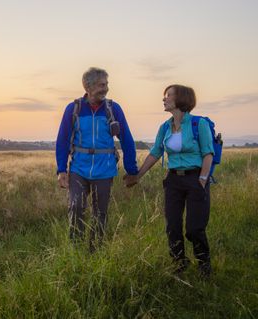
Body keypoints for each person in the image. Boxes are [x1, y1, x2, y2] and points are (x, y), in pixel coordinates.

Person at [124, 84, 214, 277]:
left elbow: (208, 154)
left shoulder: (199, 124)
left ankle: (204, 264)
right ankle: (179, 264)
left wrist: (203, 180)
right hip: (173, 180)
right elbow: (155, 153)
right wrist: (138, 176)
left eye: (168, 96)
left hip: (196, 179)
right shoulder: (165, 127)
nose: (164, 99)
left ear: (181, 98)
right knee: (172, 226)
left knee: (194, 228)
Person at [56, 67, 139, 252]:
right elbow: (62, 140)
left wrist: (132, 170)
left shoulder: (113, 108)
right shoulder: (74, 109)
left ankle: (95, 251)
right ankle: (75, 250)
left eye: (107, 84)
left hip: (105, 169)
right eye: (102, 85)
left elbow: (126, 139)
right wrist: (61, 169)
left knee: (100, 213)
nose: (106, 88)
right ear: (88, 86)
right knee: (76, 207)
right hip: (79, 169)